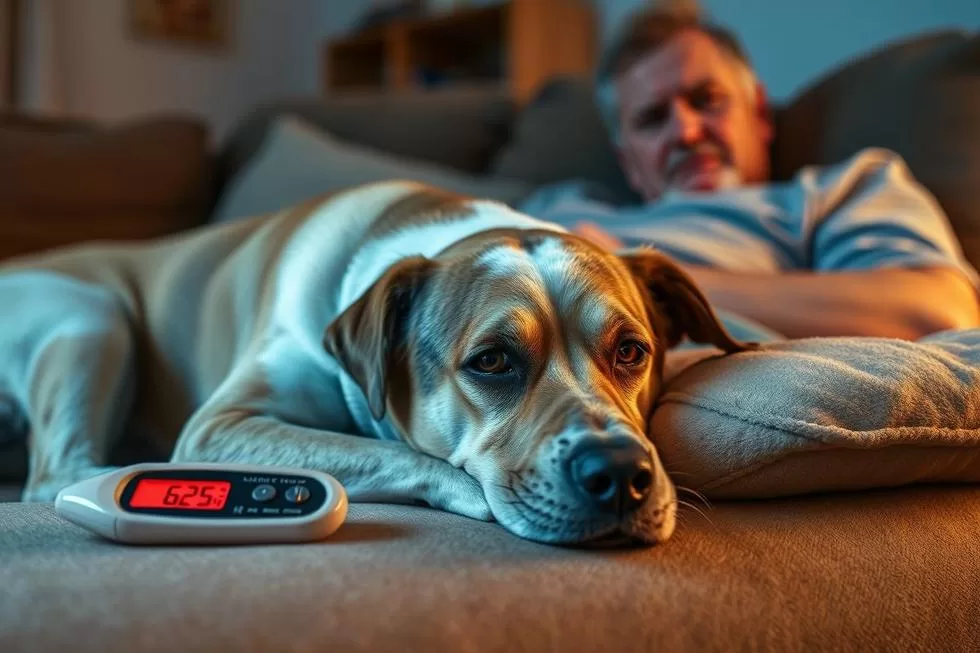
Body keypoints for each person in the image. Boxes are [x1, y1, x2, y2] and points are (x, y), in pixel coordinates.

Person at [517, 2, 980, 343]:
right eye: (653, 119)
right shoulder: (560, 203)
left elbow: (939, 309)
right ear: (628, 162)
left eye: (705, 101)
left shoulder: (836, 191)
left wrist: (643, 277)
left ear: (759, 114)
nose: (685, 131)